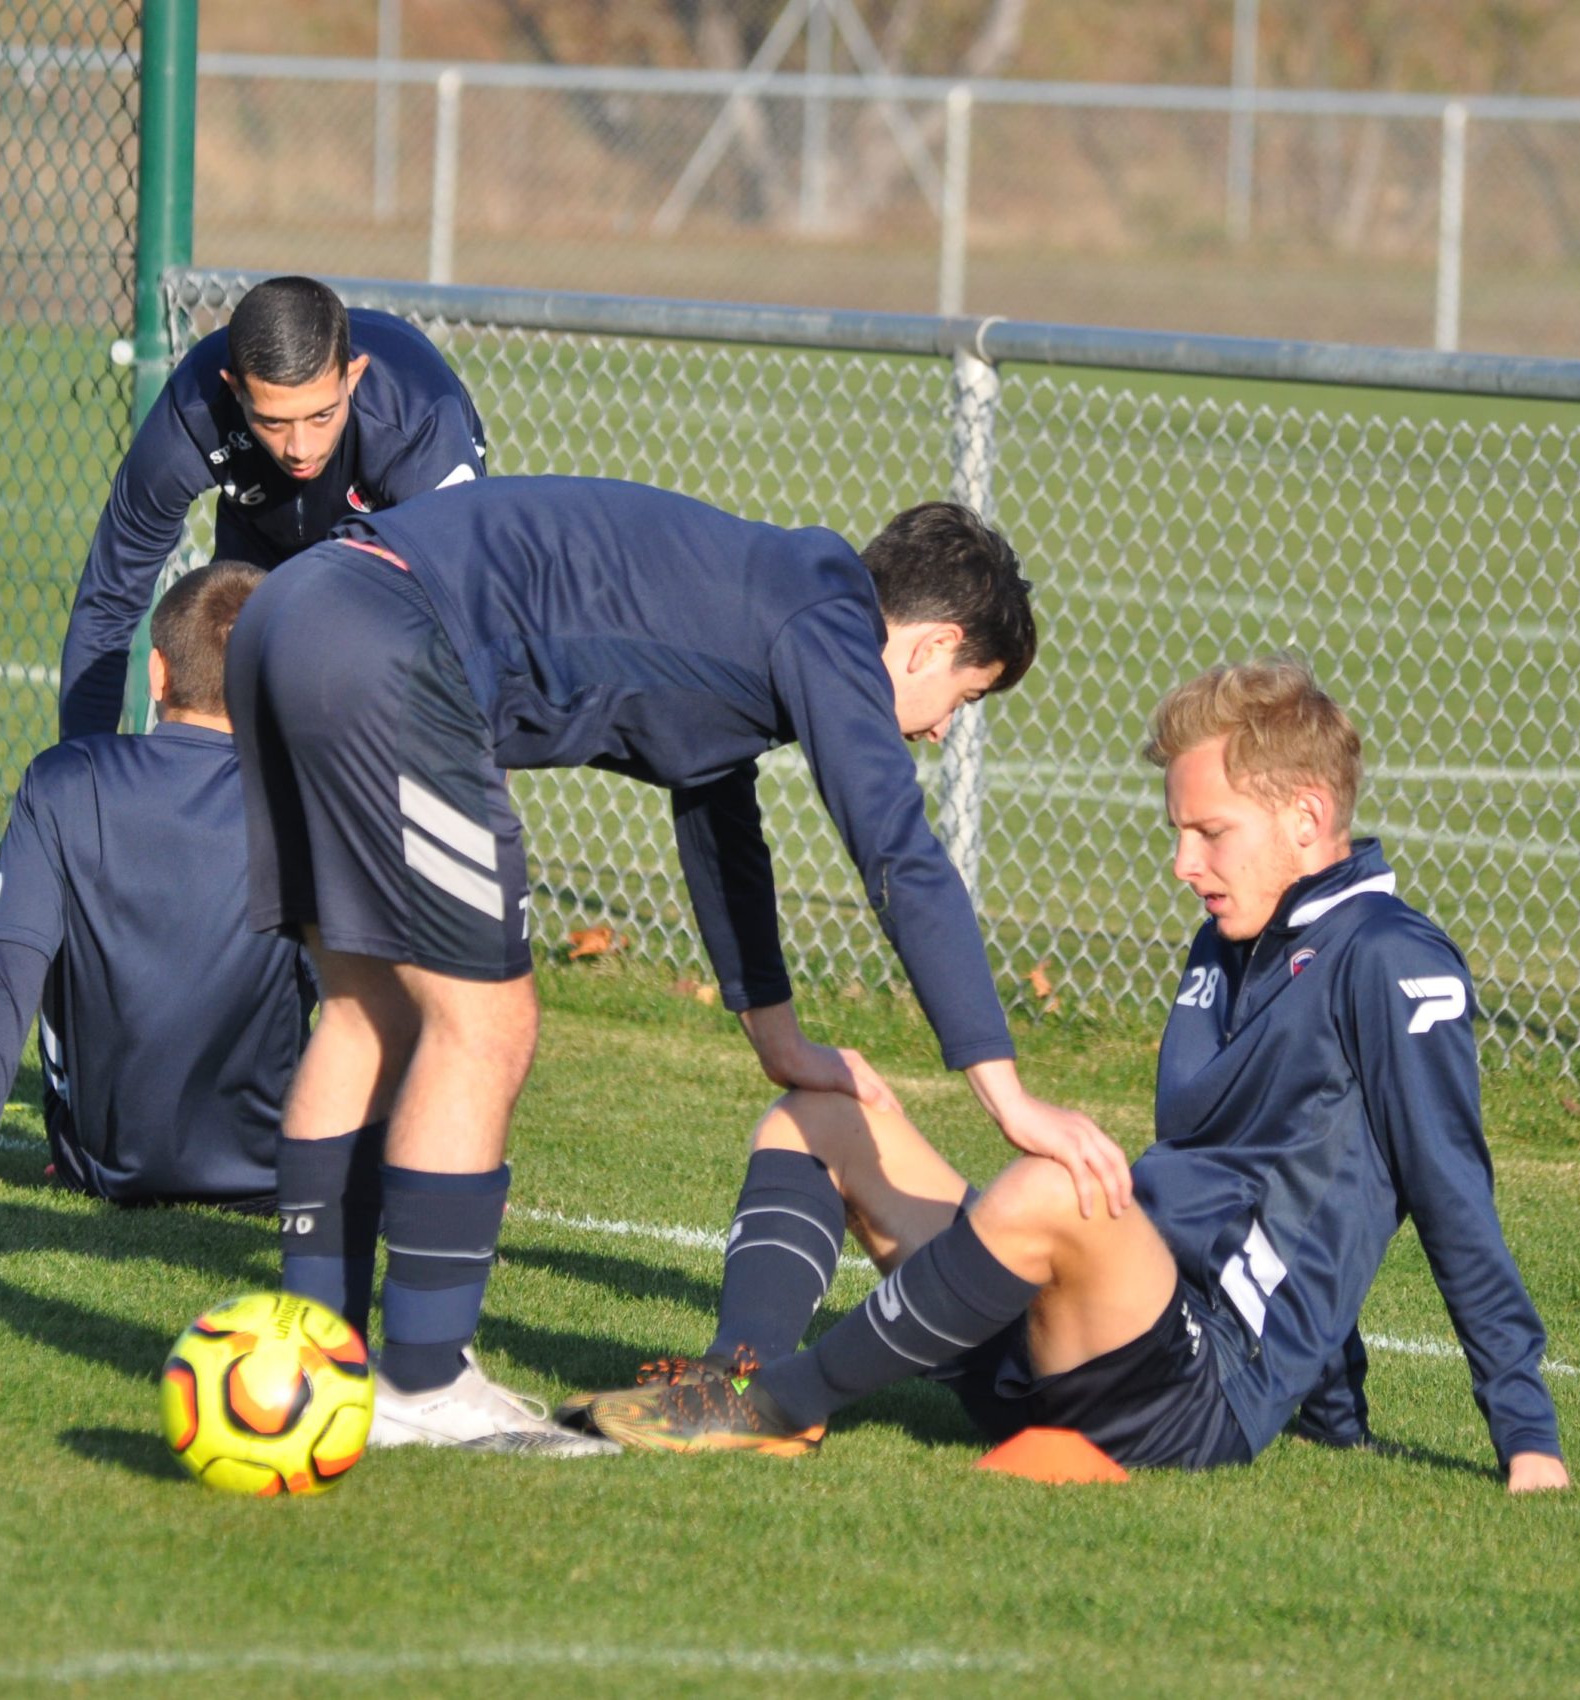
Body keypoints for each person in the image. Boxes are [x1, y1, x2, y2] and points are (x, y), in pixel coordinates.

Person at [225, 477, 1128, 1456]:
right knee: (484, 1021)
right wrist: (1006, 1094)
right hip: (391, 641)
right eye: (965, 694)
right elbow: (899, 853)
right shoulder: (828, 615)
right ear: (930, 644)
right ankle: (424, 1381)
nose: (942, 726)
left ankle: (318, 1356)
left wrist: (777, 1038)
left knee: (368, 1012)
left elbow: (718, 816)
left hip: (291, 610)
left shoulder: (773, 598)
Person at [580, 657, 1573, 1493]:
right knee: (820, 1112)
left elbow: (1441, 1188)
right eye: (1178, 831)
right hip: (1090, 1335)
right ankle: (728, 1375)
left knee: (1059, 1184)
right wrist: (1336, 1409)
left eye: (1209, 830)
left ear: (1307, 818)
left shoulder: (1396, 959)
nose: (1184, 862)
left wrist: (1525, 1434)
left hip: (1192, 1388)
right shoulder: (1228, 940)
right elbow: (1257, 1173)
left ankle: (782, 1403)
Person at [0, 561, 314, 1213]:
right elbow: (369, 1004)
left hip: (104, 1166)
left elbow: (7, 985)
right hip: (275, 1176)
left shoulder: (64, 781)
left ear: (157, 673)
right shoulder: (311, 798)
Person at [58, 275, 489, 742]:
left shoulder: (417, 423)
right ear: (235, 390)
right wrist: (82, 777)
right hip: (261, 527)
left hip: (391, 534)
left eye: (321, 415)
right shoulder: (193, 411)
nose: (300, 449)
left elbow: (481, 626)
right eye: (273, 421)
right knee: (216, 671)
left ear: (354, 377)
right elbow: (109, 601)